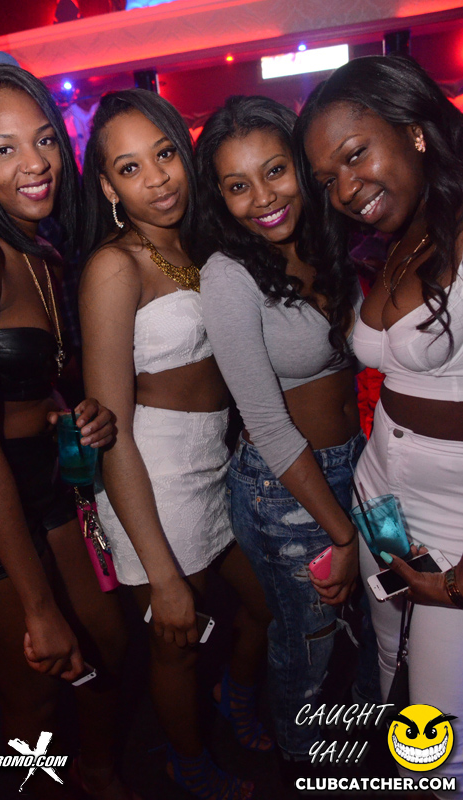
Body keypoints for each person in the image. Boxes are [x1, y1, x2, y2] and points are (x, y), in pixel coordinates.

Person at [0, 64, 137, 800]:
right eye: (3, 148)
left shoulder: (44, 252)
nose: (35, 163)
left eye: (45, 139)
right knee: (36, 689)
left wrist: (74, 407)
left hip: (44, 472)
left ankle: (99, 772)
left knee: (108, 642)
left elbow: (30, 372)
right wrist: (38, 604)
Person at [79, 89, 273, 800]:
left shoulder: (195, 244)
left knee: (264, 606)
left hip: (214, 465)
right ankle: (186, 764)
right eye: (129, 168)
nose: (156, 179)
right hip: (152, 479)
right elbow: (113, 432)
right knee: (176, 642)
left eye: (164, 154)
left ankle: (234, 696)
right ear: (108, 188)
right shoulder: (115, 267)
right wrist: (159, 572)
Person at [296, 54, 463, 796]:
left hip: (453, 530)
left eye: (355, 154)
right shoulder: (403, 235)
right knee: (391, 660)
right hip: (383, 506)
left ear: (414, 130)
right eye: (328, 177)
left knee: (439, 741)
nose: (345, 189)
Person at [194, 95, 374, 765]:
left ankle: (360, 739)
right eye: (237, 185)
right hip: (284, 488)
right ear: (219, 197)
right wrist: (342, 532)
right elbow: (266, 424)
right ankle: (304, 761)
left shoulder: (329, 241)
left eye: (274, 170)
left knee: (364, 622)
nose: (263, 198)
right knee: (308, 640)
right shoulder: (227, 276)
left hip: (354, 462)